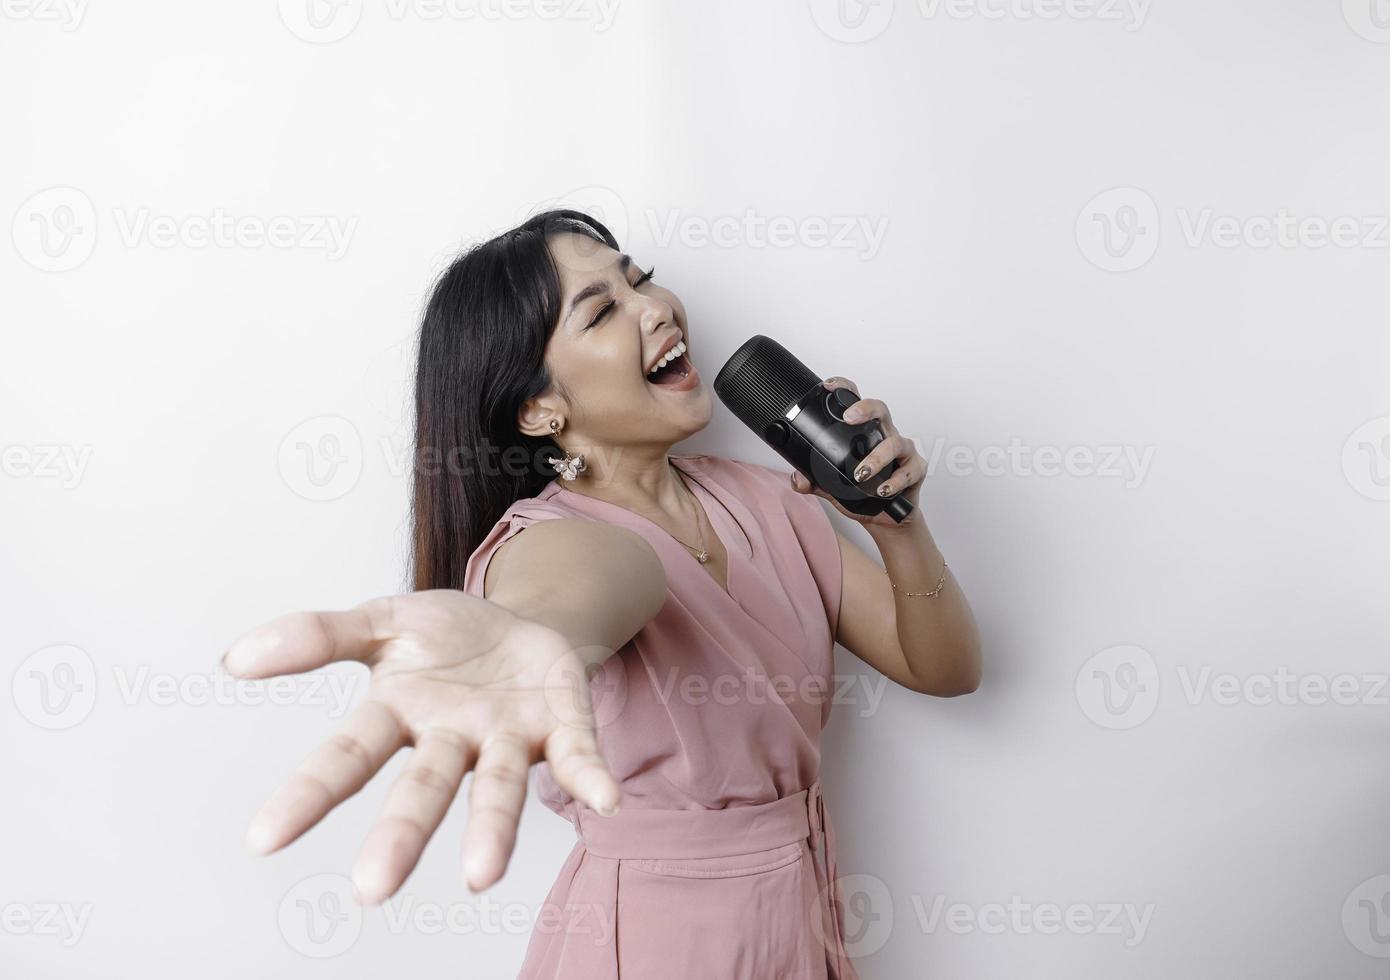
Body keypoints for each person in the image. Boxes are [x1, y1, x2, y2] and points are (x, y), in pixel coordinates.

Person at [221, 209, 983, 979]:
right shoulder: (548, 539)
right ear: (538, 408)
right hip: (648, 941)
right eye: (603, 311)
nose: (656, 308)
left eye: (640, 278)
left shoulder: (773, 498)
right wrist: (512, 642)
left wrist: (896, 526)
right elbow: (593, 582)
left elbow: (946, 670)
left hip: (800, 918)